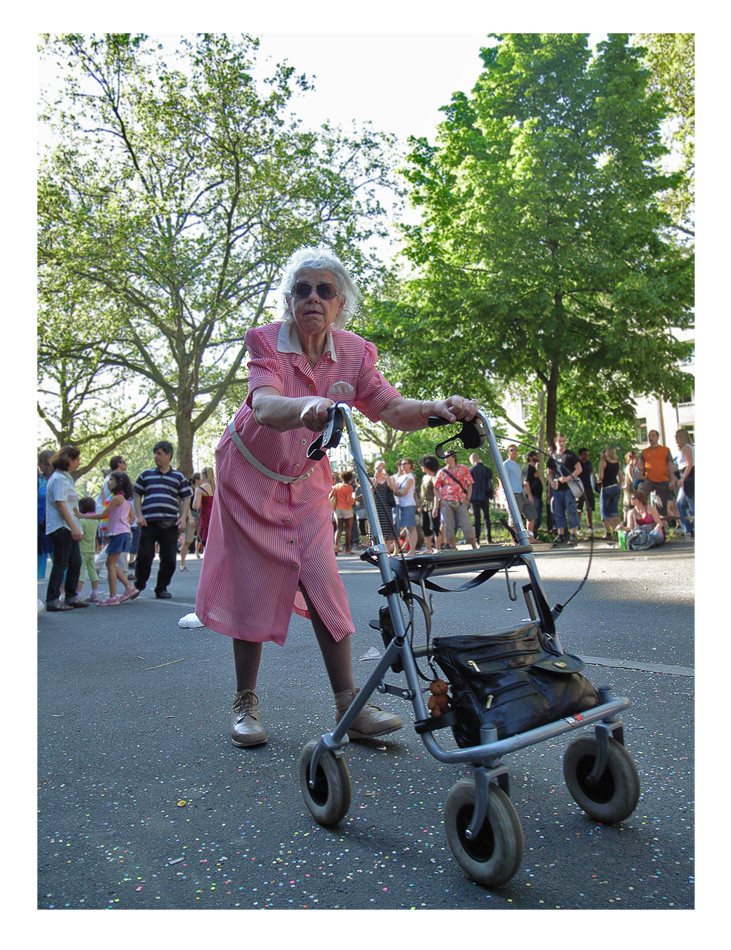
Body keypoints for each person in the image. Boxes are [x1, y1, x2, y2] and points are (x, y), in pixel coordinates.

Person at [193, 245, 479, 748]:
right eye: (301, 289)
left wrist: (438, 407)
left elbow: (390, 407)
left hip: (305, 478)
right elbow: (262, 404)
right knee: (252, 584)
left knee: (325, 580)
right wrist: (308, 405)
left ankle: (349, 704)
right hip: (249, 473)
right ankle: (245, 701)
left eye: (325, 290)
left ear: (340, 303)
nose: (313, 298)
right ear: (288, 301)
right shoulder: (266, 342)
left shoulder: (354, 351)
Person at [132, 441, 192, 599]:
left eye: (159, 453)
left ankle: (161, 587)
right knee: (144, 555)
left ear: (168, 455)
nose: (156, 456)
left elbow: (186, 497)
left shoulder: (178, 477)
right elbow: (136, 495)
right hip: (148, 523)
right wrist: (139, 515)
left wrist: (183, 518)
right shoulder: (146, 475)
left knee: (169, 558)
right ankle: (139, 584)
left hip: (170, 524)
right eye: (155, 453)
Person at [80, 472, 138, 605]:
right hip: (123, 533)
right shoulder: (126, 500)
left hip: (117, 534)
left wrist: (83, 516)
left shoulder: (116, 499)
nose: (108, 482)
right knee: (111, 562)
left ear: (119, 483)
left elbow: (103, 514)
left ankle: (113, 596)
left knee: (110, 564)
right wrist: (123, 526)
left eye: (111, 480)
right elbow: (132, 518)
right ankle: (129, 588)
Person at [44, 446, 89, 611]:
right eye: (76, 459)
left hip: (69, 526)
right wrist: (73, 527)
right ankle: (52, 600)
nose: (78, 463)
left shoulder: (64, 478)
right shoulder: (59, 479)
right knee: (61, 564)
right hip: (62, 527)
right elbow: (61, 504)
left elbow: (67, 504)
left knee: (75, 562)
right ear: (68, 459)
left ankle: (71, 596)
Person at [434, 450, 479, 551]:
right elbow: (435, 487)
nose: (445, 459)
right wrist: (440, 499)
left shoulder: (463, 469)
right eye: (444, 457)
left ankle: (474, 547)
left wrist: (468, 498)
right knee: (448, 525)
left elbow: (470, 484)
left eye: (447, 456)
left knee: (466, 523)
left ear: (453, 457)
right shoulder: (442, 472)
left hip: (461, 500)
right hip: (446, 501)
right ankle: (454, 547)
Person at [546, 434, 582, 546]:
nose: (561, 443)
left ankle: (573, 534)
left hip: (569, 488)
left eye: (563, 441)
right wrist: (552, 482)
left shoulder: (570, 455)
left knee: (571, 510)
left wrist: (568, 478)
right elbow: (549, 472)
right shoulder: (552, 457)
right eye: (559, 441)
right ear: (556, 442)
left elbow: (579, 469)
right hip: (557, 489)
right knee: (558, 511)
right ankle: (560, 534)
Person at [638, 430, 675, 520]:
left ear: (657, 437)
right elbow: (641, 467)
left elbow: (670, 465)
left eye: (653, 436)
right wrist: (639, 469)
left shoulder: (665, 450)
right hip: (649, 479)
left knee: (661, 505)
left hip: (662, 480)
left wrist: (672, 479)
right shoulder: (644, 452)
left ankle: (661, 526)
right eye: (649, 436)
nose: (650, 438)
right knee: (640, 495)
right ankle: (643, 517)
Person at [503, 444, 537, 537]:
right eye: (511, 450)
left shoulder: (518, 466)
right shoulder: (506, 464)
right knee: (514, 520)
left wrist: (527, 492)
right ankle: (516, 541)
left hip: (521, 494)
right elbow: (502, 479)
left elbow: (520, 480)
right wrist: (506, 496)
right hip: (513, 494)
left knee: (532, 515)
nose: (514, 452)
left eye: (515, 450)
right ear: (508, 452)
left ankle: (530, 537)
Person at [76, 496, 101, 603]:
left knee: (80, 573)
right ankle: (94, 593)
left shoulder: (82, 521)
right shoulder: (94, 521)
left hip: (82, 549)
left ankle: (77, 595)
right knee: (92, 572)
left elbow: (80, 535)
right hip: (91, 550)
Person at [393, 458, 418, 555]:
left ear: (410, 465)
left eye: (405, 464)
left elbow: (404, 492)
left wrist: (395, 491)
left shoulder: (410, 477)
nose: (402, 466)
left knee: (411, 527)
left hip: (409, 504)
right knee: (407, 528)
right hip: (401, 505)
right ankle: (410, 550)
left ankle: (412, 550)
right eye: (401, 464)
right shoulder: (402, 477)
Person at [597, 446, 622, 540]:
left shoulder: (603, 463)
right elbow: (620, 475)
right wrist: (620, 485)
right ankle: (617, 530)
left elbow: (601, 477)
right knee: (614, 510)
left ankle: (608, 532)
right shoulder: (617, 463)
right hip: (615, 487)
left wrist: (598, 478)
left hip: (606, 487)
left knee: (604, 510)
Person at [418, 455, 442, 553]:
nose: (421, 467)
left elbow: (437, 493)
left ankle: (438, 548)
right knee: (425, 526)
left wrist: (436, 507)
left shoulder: (434, 477)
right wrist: (420, 505)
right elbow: (421, 493)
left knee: (435, 526)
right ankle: (428, 548)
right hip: (425, 505)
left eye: (422, 465)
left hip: (433, 504)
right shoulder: (424, 477)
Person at [37, 449, 55, 583]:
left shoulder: (55, 479)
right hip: (38, 523)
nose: (39, 465)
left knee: (57, 557)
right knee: (39, 556)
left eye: (42, 462)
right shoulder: (39, 479)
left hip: (51, 522)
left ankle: (61, 591)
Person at [469, 452, 494, 544]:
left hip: (474, 497)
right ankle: (489, 538)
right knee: (487, 517)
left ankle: (477, 539)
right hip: (485, 496)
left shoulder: (470, 470)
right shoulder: (487, 470)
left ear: (472, 460)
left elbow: (469, 485)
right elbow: (490, 483)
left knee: (477, 519)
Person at [674, 429, 695, 538]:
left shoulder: (686, 448)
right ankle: (687, 527)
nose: (676, 440)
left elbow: (689, 464)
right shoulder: (687, 447)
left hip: (688, 477)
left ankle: (691, 527)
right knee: (680, 503)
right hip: (686, 476)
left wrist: (682, 479)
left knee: (691, 502)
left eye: (677, 437)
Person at [180, 473, 202, 570]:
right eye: (201, 479)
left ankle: (198, 552)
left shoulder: (200, 490)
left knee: (203, 538)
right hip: (192, 515)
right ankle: (182, 563)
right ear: (196, 480)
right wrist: (190, 518)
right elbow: (186, 505)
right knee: (188, 541)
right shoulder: (190, 490)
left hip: (200, 515)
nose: (202, 481)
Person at [193, 466, 216, 556]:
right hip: (215, 515)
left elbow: (196, 506)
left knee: (205, 540)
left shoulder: (200, 489)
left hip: (205, 516)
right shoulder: (216, 487)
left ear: (202, 476)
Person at [331, 470, 355, 554]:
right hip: (347, 509)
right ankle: (347, 549)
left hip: (337, 509)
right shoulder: (349, 487)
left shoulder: (337, 486)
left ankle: (336, 547)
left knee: (339, 528)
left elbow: (331, 496)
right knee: (348, 529)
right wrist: (353, 500)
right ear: (350, 478)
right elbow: (349, 500)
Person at [522, 450, 543, 540]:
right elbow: (526, 483)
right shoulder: (528, 468)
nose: (537, 457)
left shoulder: (534, 468)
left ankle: (533, 536)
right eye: (535, 456)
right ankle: (530, 537)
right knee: (532, 517)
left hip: (538, 496)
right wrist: (530, 496)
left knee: (537, 517)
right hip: (533, 496)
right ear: (530, 457)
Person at [576, 448, 595, 533]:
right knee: (578, 508)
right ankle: (578, 527)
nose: (586, 456)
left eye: (587, 454)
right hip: (579, 487)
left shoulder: (589, 464)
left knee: (589, 508)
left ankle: (589, 526)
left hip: (588, 487)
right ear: (580, 455)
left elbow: (591, 473)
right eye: (584, 454)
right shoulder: (577, 464)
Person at [622, 450, 640, 520]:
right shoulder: (629, 467)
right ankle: (626, 521)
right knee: (628, 505)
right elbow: (632, 479)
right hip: (629, 488)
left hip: (633, 487)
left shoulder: (634, 467)